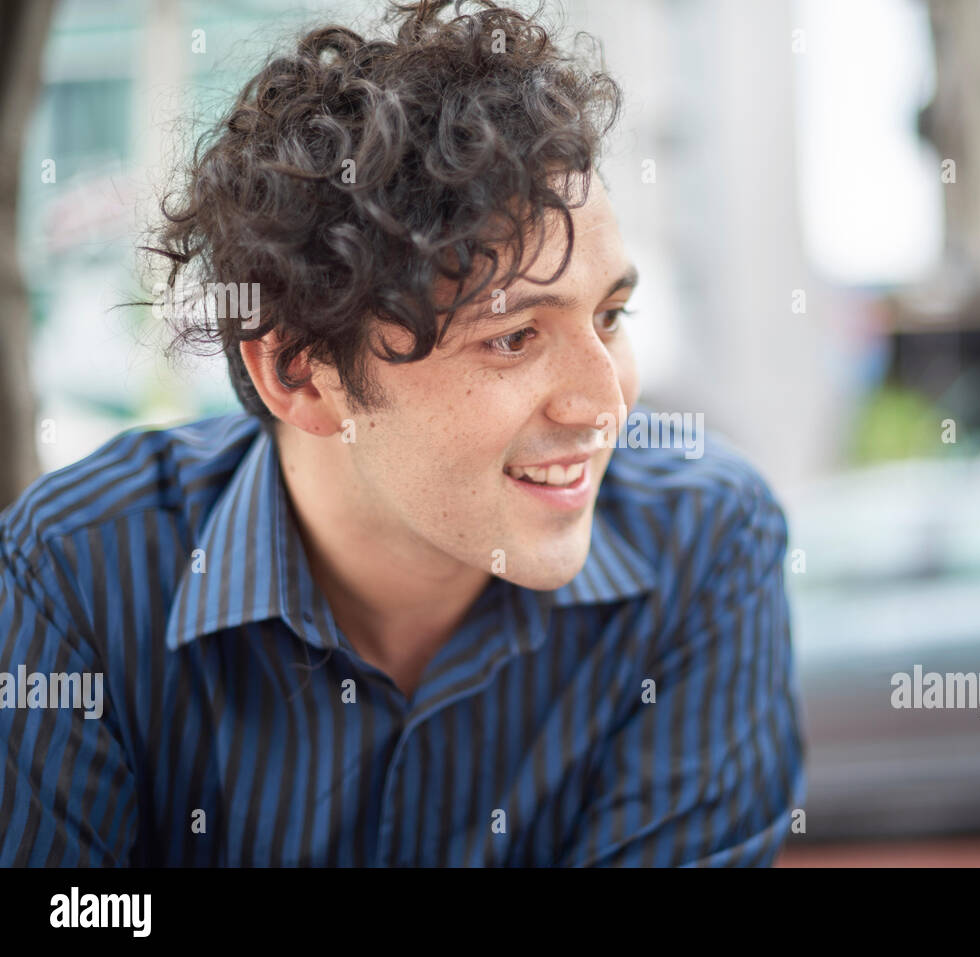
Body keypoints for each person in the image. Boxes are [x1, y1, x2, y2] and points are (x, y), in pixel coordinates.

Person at [0, 0, 804, 866]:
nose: (603, 403)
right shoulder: (75, 573)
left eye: (611, 315)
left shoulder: (705, 543)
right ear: (299, 371)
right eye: (513, 337)